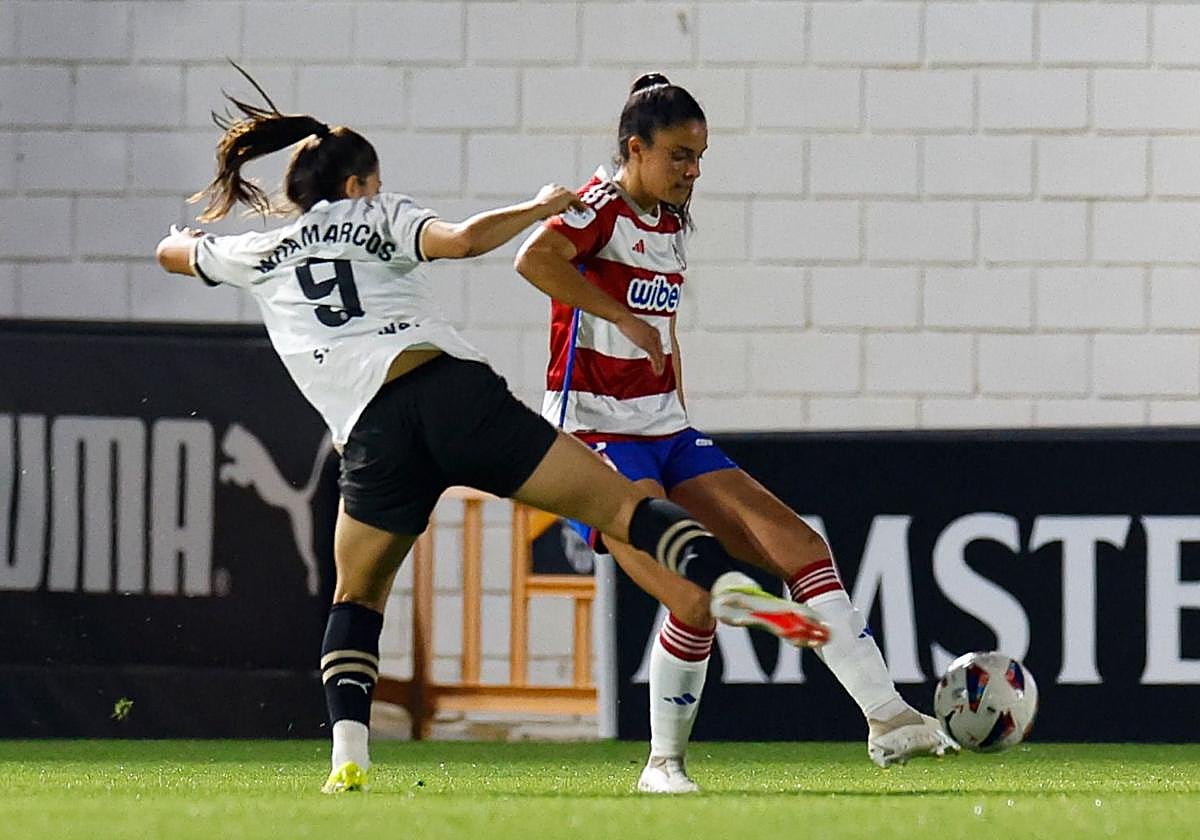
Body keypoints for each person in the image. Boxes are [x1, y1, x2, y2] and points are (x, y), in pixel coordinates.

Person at [154, 66, 831, 795]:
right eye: (373, 182)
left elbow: (174, 255)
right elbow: (466, 239)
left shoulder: (259, 253)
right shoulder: (376, 216)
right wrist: (536, 205)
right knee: (618, 507)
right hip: (452, 395)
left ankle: (346, 757)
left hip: (373, 434)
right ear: (355, 187)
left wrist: (189, 241)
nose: (377, 192)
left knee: (357, 597)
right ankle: (713, 577)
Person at [515, 73, 959, 794]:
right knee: (692, 598)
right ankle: (662, 765)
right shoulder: (598, 207)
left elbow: (663, 331)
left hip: (665, 427)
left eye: (701, 157)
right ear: (636, 148)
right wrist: (620, 316)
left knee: (802, 547)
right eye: (680, 156)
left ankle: (888, 718)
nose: (693, 171)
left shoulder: (665, 221)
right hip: (595, 438)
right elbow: (532, 258)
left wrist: (675, 397)